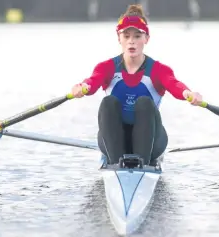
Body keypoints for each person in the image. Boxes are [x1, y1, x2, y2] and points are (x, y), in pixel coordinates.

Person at [71, 4, 203, 166]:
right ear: (119, 38)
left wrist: (188, 93)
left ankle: (144, 163)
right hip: (114, 142)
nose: (131, 42)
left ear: (146, 38)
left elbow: (174, 84)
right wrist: (82, 86)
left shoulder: (159, 70)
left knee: (144, 102)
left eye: (137, 36)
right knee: (108, 103)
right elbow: (93, 81)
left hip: (152, 141)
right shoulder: (106, 67)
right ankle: (115, 163)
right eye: (126, 36)